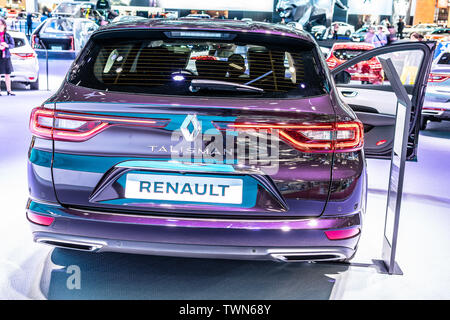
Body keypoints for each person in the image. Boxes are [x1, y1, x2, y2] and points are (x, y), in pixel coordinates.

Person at [0, 18, 15, 96]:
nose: (0, 26)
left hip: (6, 56)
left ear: (4, 25)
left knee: (7, 74)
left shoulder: (7, 35)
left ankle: (9, 90)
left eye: (1, 24)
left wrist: (6, 45)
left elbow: (12, 45)